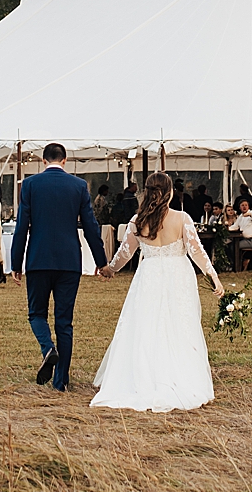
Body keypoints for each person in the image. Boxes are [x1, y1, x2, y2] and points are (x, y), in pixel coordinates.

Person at [92, 171, 223, 411]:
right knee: (179, 325)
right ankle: (179, 377)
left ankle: (144, 376)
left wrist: (110, 269)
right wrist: (213, 276)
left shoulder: (138, 220)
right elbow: (197, 251)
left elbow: (125, 253)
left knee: (146, 324)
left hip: (149, 275)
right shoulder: (181, 218)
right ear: (170, 192)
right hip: (177, 275)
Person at [9, 143, 110, 392]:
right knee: (64, 322)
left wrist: (16, 262)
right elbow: (90, 227)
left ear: (43, 161)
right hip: (69, 262)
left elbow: (22, 226)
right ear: (65, 161)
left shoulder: (31, 185)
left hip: (38, 259)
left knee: (37, 313)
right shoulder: (78, 186)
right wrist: (101, 261)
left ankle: (47, 348)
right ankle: (61, 381)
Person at [93, 184, 115, 259]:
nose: (107, 192)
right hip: (101, 221)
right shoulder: (100, 199)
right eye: (106, 190)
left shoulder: (100, 198)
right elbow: (101, 211)